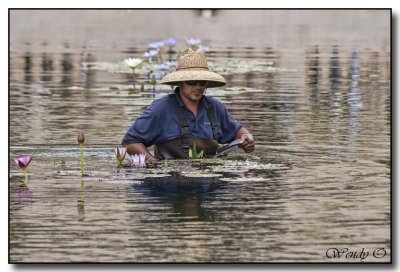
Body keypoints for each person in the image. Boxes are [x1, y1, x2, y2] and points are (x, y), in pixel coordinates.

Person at [122, 48, 255, 161]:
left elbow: (239, 132)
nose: (198, 87)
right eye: (192, 82)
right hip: (170, 183)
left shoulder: (215, 107)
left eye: (202, 82)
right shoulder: (161, 108)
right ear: (180, 82)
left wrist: (247, 139)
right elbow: (130, 142)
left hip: (209, 182)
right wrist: (152, 163)